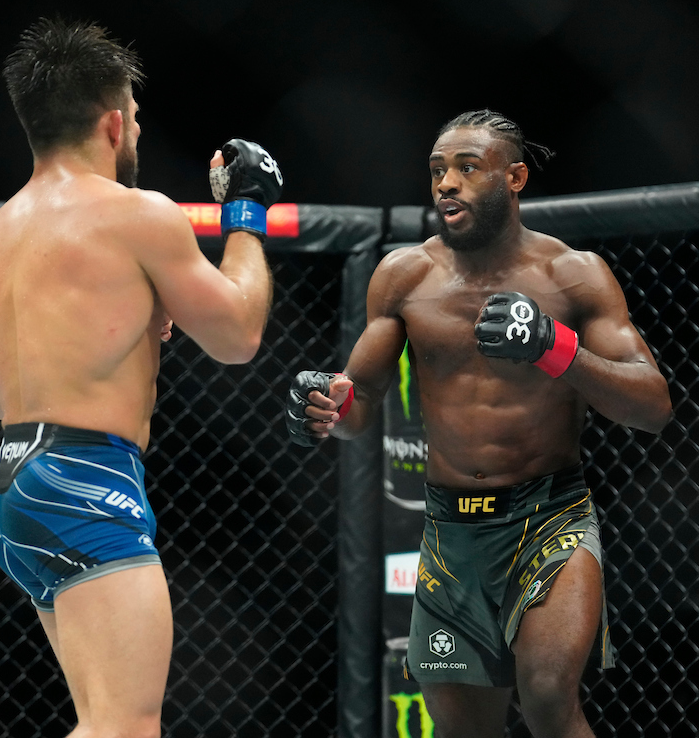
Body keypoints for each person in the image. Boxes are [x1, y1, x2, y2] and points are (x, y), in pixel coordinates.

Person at [286, 109, 672, 738]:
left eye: (467, 168)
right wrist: (324, 407)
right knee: (464, 728)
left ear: (515, 177)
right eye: (438, 170)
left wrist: (556, 347)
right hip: (450, 532)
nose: (446, 184)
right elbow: (359, 409)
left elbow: (652, 407)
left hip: (550, 517)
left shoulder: (572, 273)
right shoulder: (404, 275)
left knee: (548, 696)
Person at [0, 16, 281, 738]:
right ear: (113, 124)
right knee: (127, 727)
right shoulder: (138, 215)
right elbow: (238, 334)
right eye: (135, 120)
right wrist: (245, 214)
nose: (136, 133)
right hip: (85, 479)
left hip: (16, 486)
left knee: (101, 720)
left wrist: (133, 316)